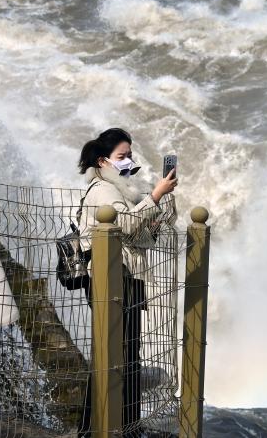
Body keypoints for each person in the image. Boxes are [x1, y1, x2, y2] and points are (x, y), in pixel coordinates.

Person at [76, 127, 176, 438]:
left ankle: (126, 425)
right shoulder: (103, 191)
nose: (128, 161)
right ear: (103, 161)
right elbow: (127, 225)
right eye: (122, 156)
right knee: (113, 358)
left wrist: (162, 205)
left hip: (127, 281)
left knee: (127, 355)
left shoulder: (122, 191)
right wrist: (155, 195)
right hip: (110, 282)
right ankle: (97, 428)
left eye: (130, 155)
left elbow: (141, 237)